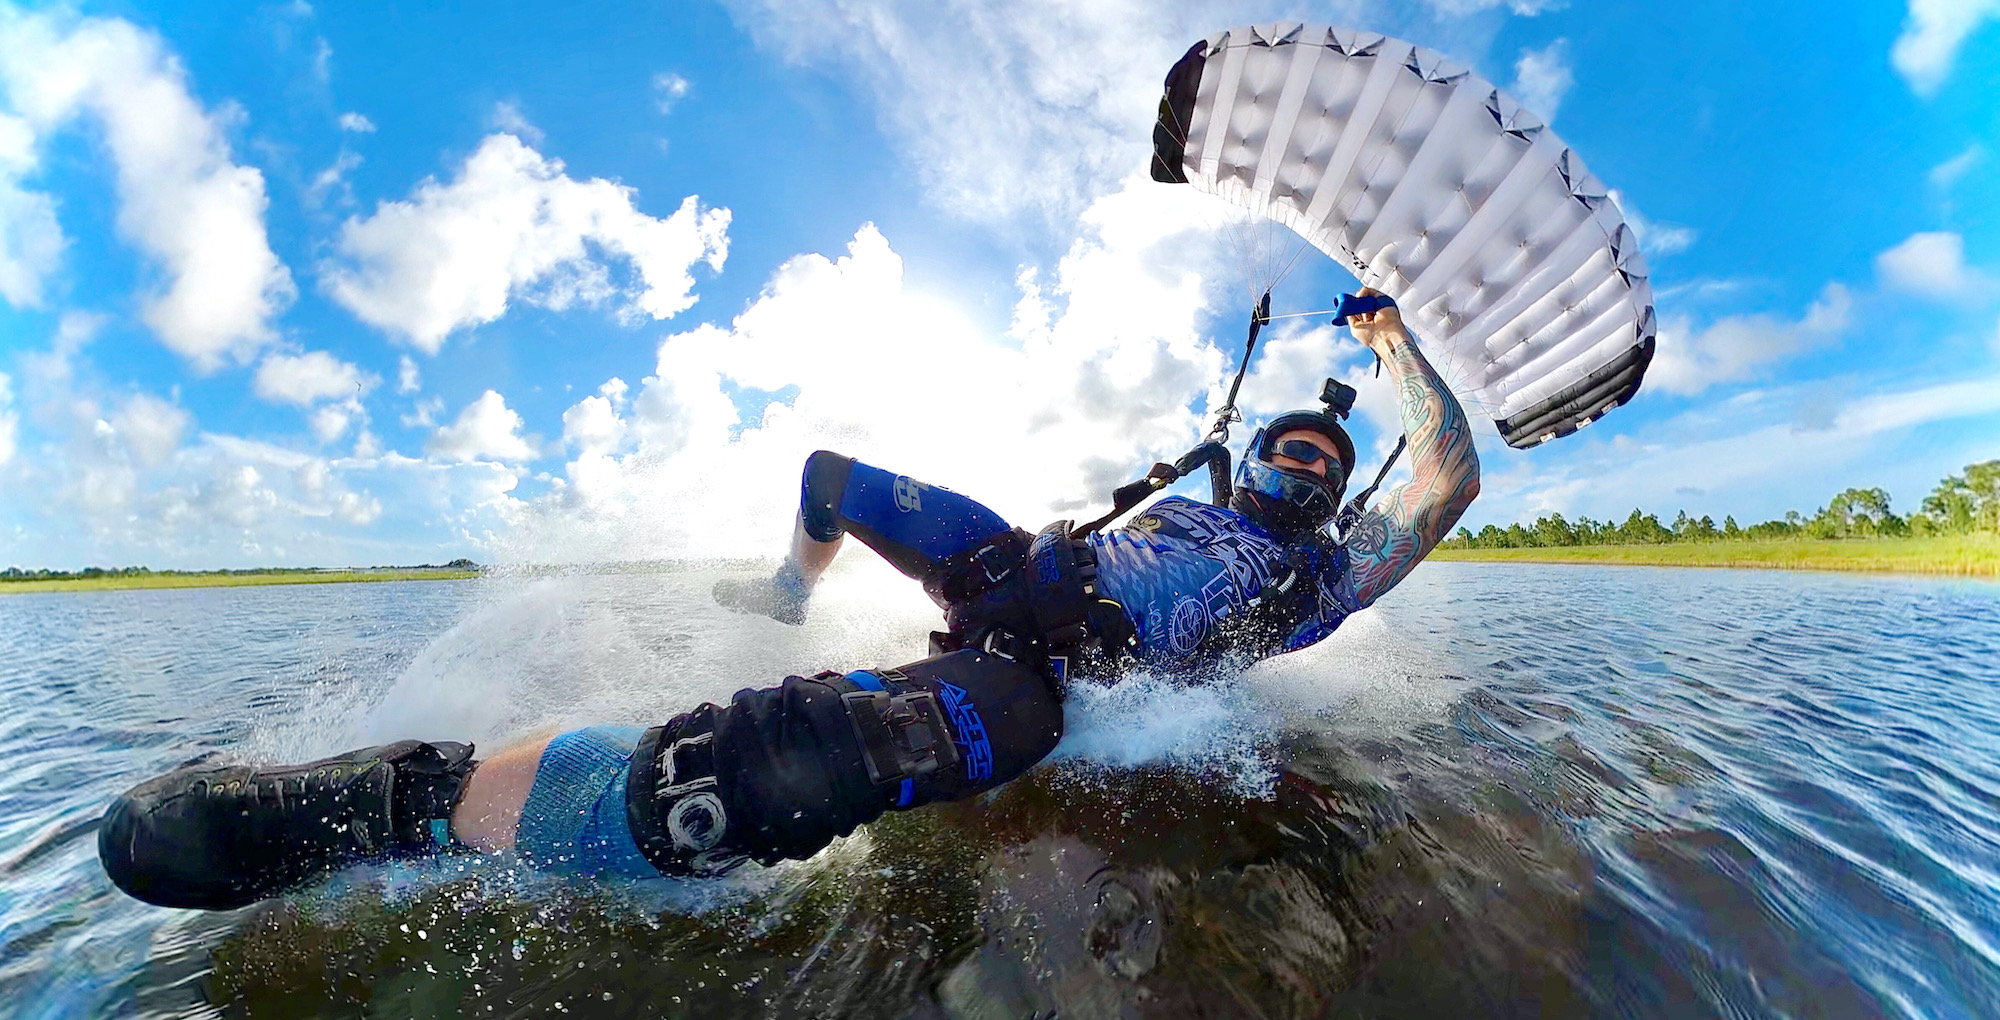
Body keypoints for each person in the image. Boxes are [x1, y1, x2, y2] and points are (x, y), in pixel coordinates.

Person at [98, 293, 1480, 911]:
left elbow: (1449, 472)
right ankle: (785, 592)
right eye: (1292, 446)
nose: (1310, 462)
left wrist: (1393, 343)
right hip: (1014, 569)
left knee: (779, 762)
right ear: (1255, 454)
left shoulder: (1323, 579)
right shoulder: (1202, 496)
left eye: (1329, 461)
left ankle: (398, 803)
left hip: (1043, 684)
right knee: (831, 476)